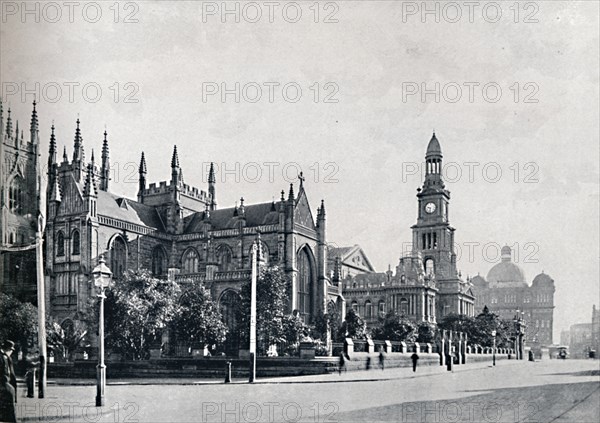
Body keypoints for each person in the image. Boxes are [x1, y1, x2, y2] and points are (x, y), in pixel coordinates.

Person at [0, 340, 18, 422]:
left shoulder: (8, 358)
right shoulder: (2, 357)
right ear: (7, 349)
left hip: (8, 383)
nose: (11, 352)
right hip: (3, 384)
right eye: (11, 350)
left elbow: (11, 372)